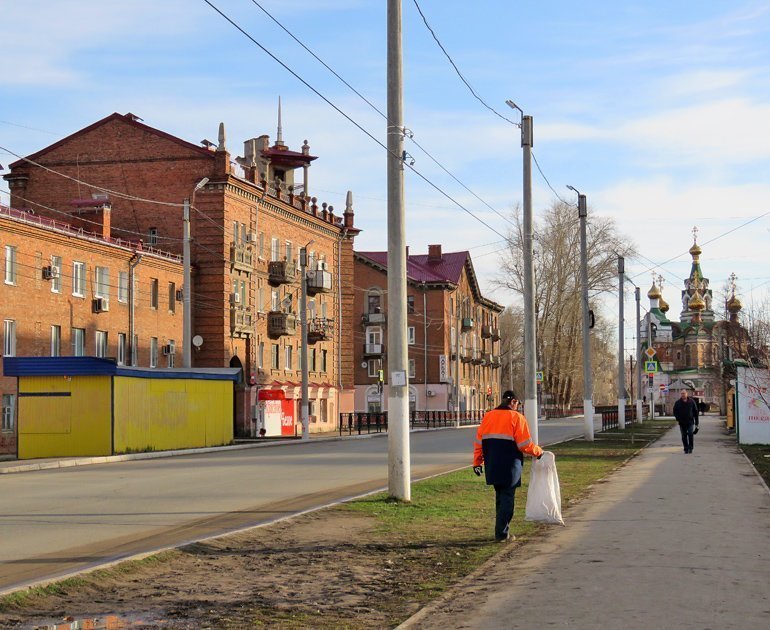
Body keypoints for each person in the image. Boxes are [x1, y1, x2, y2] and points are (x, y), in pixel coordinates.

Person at [472, 390, 543, 542]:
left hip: (493, 465)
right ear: (513, 402)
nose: (518, 407)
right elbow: (525, 445)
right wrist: (538, 452)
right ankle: (502, 534)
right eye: (518, 404)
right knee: (507, 500)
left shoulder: (488, 416)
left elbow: (479, 442)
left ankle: (500, 531)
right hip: (510, 465)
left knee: (500, 498)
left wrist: (477, 462)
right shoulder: (517, 417)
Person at [673, 388, 699, 454]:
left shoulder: (691, 402)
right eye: (682, 393)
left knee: (690, 434)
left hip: (690, 422)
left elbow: (696, 412)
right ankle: (686, 448)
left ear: (687, 394)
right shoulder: (678, 403)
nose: (683, 395)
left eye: (684, 393)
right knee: (684, 436)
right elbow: (675, 411)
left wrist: (697, 422)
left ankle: (690, 448)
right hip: (682, 422)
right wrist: (678, 418)